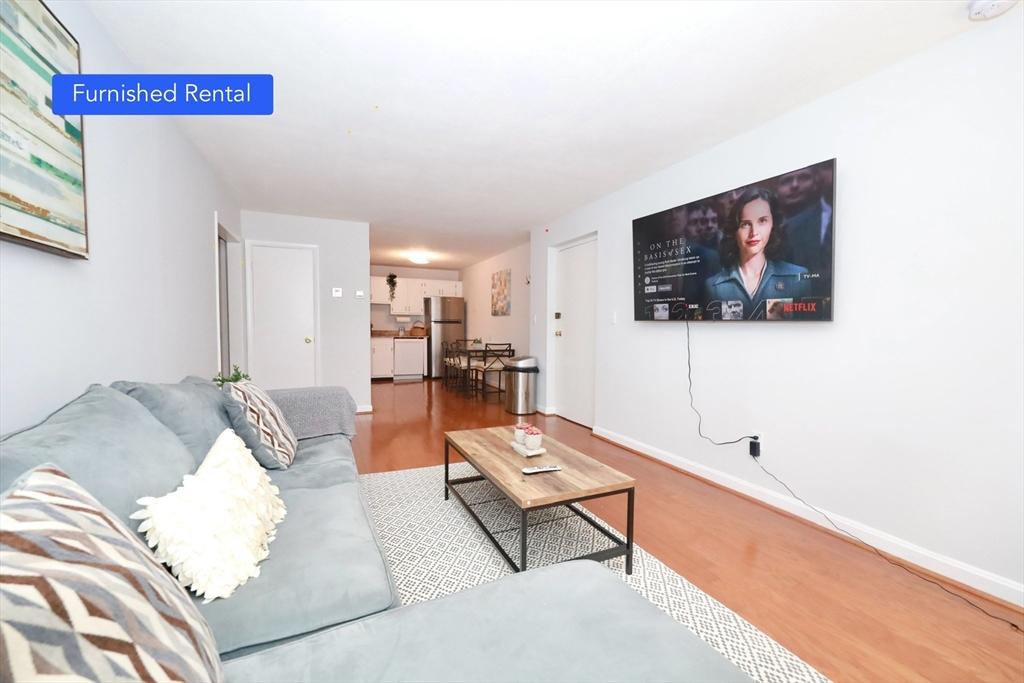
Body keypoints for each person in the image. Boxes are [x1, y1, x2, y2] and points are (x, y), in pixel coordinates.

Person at [703, 187, 809, 319]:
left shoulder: (798, 279)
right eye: (745, 224)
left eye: (762, 221)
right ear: (735, 230)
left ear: (773, 225)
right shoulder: (714, 287)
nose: (754, 232)